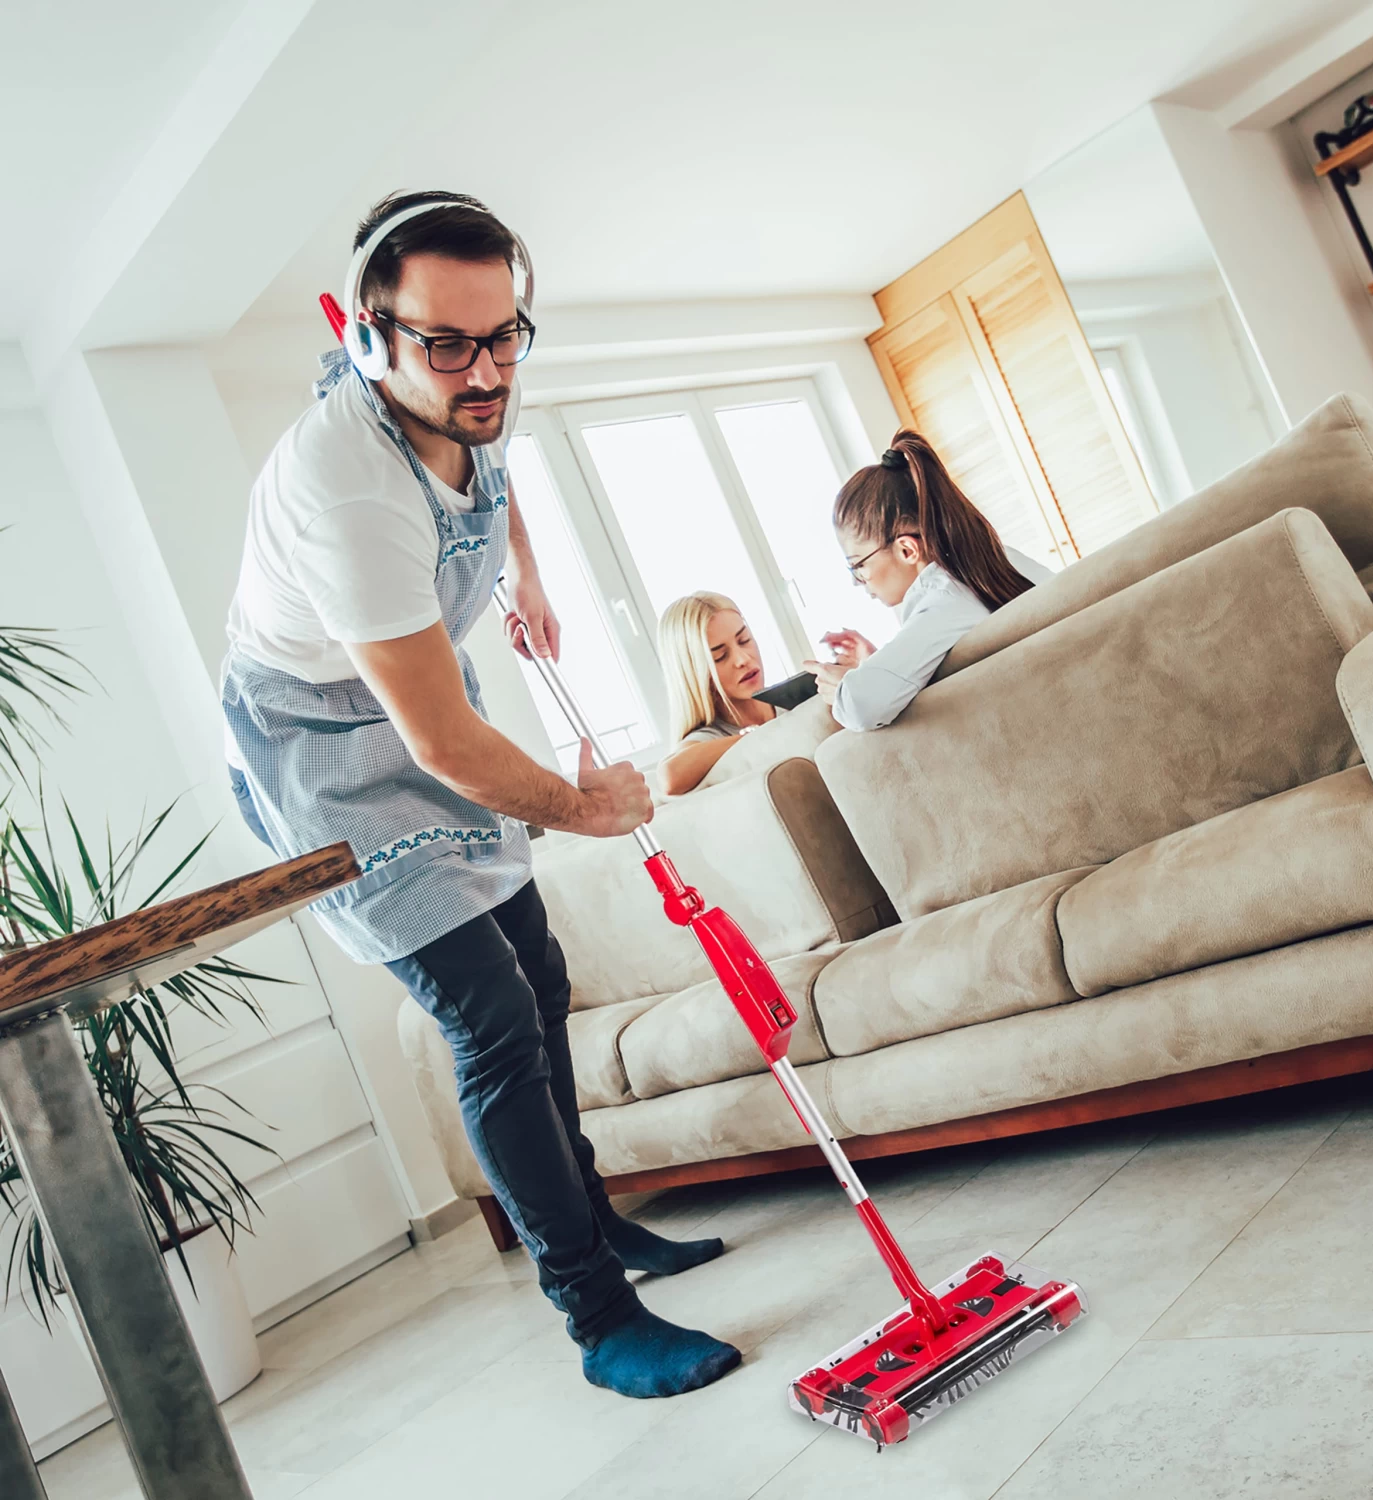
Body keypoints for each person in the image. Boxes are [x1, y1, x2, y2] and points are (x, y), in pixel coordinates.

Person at [220, 191, 739, 1399]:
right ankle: (598, 1317)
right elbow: (446, 743)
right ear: (366, 332)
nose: (483, 367)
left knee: (542, 973)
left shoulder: (474, 387)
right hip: (325, 747)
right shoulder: (342, 485)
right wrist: (586, 806)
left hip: (418, 698)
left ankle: (604, 1221)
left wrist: (529, 570)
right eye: (446, 342)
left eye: (505, 333)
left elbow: (492, 466)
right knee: (492, 1019)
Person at [808, 430, 1053, 730]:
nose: (859, 582)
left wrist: (844, 687)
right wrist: (875, 662)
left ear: (907, 549)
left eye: (858, 566)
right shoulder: (994, 560)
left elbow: (863, 707)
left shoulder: (945, 598)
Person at [656, 593, 783, 795]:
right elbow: (669, 777)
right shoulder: (709, 738)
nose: (743, 659)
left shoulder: (790, 699)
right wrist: (753, 735)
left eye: (744, 640)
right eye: (720, 656)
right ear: (695, 673)